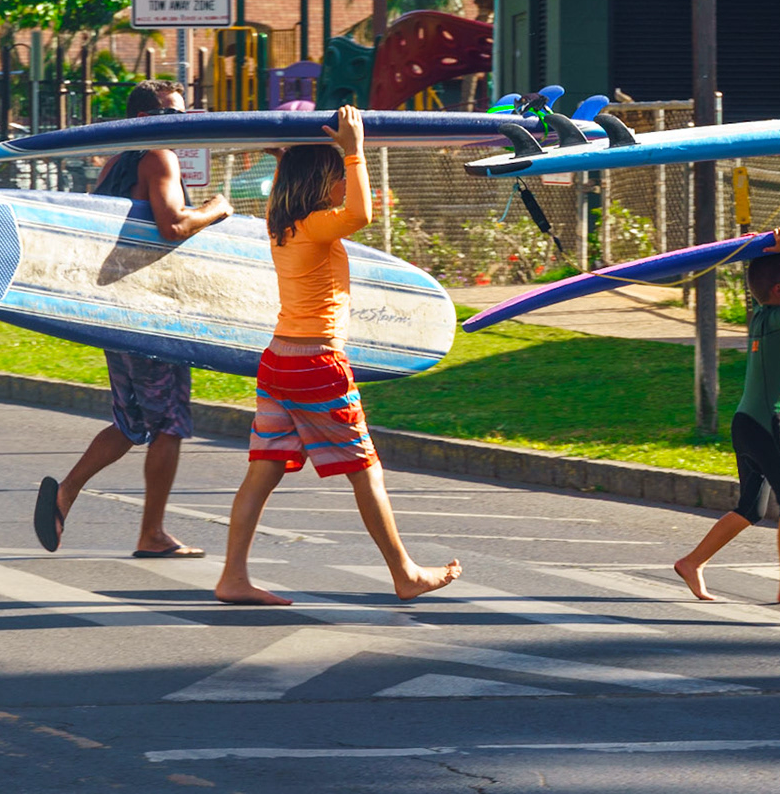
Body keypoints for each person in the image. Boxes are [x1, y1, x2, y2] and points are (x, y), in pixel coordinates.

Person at [215, 104, 461, 605]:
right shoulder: (315, 225)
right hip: (316, 366)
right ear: (321, 183)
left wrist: (288, 153)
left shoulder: (280, 221)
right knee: (366, 472)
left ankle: (233, 577)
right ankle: (405, 574)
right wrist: (353, 152)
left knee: (261, 472)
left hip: (278, 361)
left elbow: (318, 191)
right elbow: (362, 212)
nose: (341, 186)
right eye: (335, 178)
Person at [34, 80, 232, 558]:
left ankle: (66, 492)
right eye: (171, 113)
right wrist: (214, 209)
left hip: (115, 311)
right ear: (145, 119)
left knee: (131, 422)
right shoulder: (158, 156)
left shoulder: (114, 166)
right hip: (150, 315)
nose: (179, 123)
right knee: (167, 424)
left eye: (183, 114)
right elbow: (172, 226)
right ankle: (152, 534)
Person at [673, 227, 780, 604]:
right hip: (768, 424)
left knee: (752, 507)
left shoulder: (761, 317)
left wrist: (753, 250)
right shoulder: (778, 319)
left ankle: (692, 562)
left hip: (746, 423)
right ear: (778, 291)